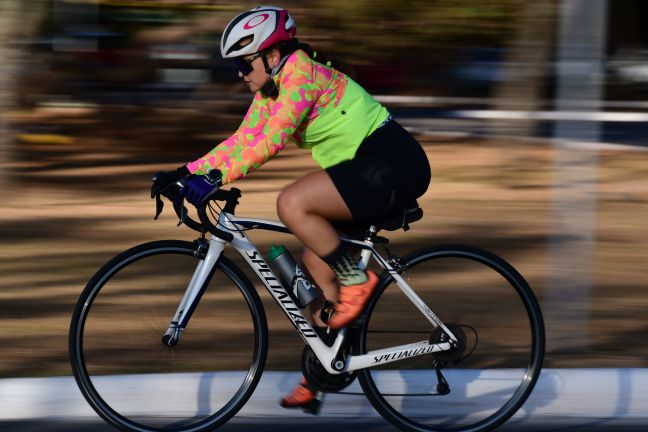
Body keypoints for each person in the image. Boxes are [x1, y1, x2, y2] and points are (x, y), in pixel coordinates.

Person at [155, 6, 431, 413]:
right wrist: (184, 172)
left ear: (271, 54)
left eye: (244, 63)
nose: (240, 73)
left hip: (391, 164)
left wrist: (214, 179)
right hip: (365, 171)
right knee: (316, 267)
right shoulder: (272, 89)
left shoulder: (301, 75)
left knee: (293, 203)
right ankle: (327, 368)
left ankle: (357, 281)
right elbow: (243, 140)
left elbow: (270, 143)